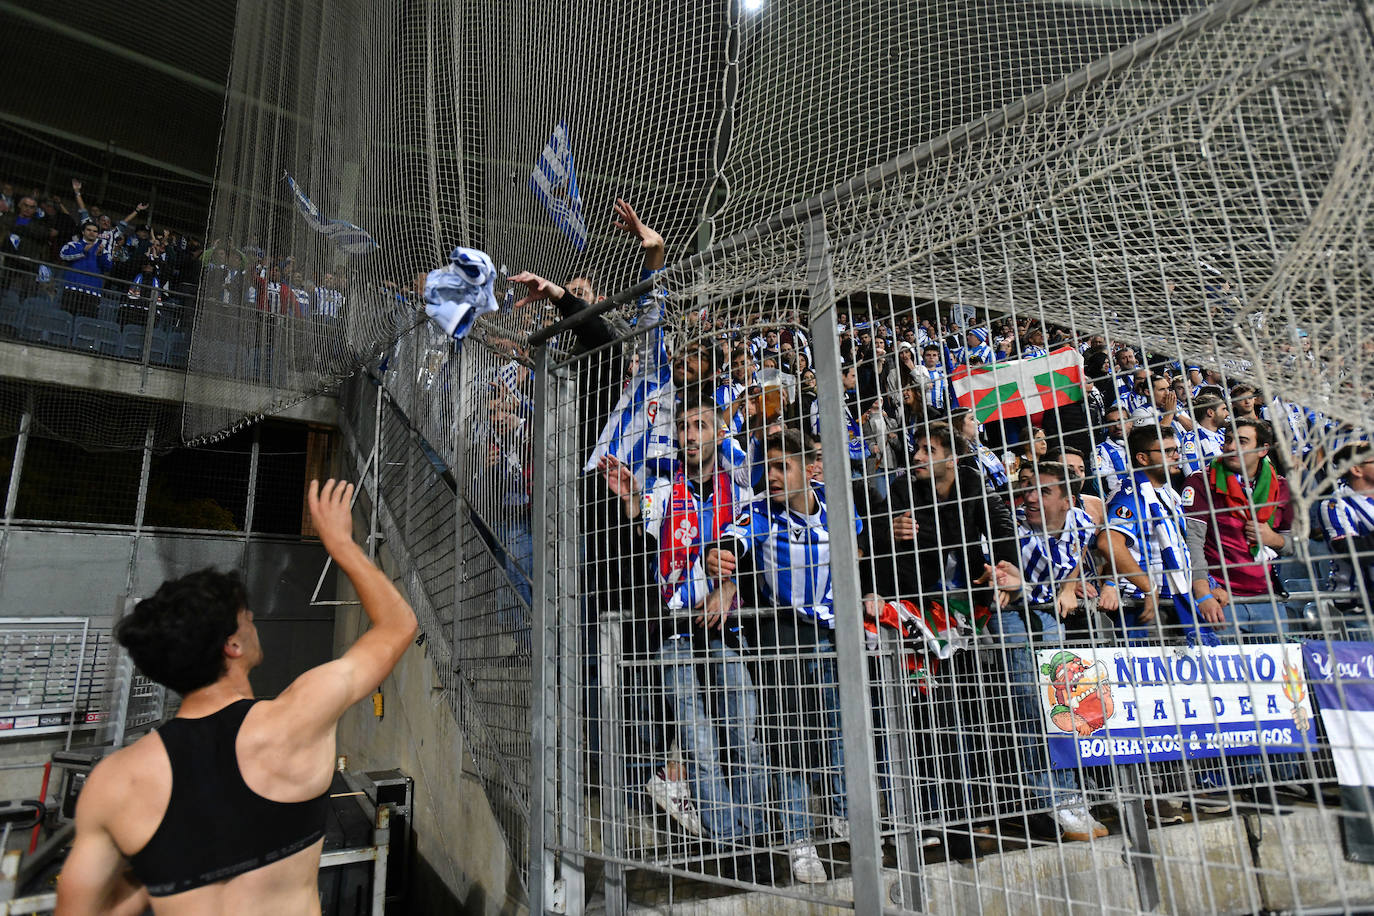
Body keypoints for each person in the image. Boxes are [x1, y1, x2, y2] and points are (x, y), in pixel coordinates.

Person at [56, 479, 418, 915]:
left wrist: (164, 868)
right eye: (247, 618)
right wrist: (341, 543)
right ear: (233, 645)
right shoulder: (293, 720)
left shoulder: (114, 782)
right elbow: (397, 626)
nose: (253, 622)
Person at [600, 392, 768, 847]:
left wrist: (728, 586)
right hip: (673, 628)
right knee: (697, 738)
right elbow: (642, 537)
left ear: (718, 433)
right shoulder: (661, 488)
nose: (689, 436)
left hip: (725, 628)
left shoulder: (740, 492)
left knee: (745, 734)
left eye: (699, 426)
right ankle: (731, 838)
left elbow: (754, 553)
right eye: (683, 427)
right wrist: (632, 502)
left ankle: (757, 829)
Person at [707, 430, 860, 884]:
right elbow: (734, 543)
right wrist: (724, 567)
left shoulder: (837, 507)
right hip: (784, 638)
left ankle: (846, 814)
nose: (771, 476)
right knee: (789, 740)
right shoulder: (758, 511)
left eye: (781, 467)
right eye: (767, 467)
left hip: (835, 635)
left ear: (808, 468)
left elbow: (856, 555)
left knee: (841, 729)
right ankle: (799, 839)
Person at [1002, 462, 1109, 841]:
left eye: (1043, 491)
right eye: (1028, 488)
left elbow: (1080, 557)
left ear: (1066, 500)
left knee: (1061, 709)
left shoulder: (1081, 521)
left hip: (1051, 618)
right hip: (1014, 618)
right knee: (1033, 709)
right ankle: (1053, 801)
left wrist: (1068, 586)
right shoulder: (1009, 525)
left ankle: (1073, 797)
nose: (1030, 496)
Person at [1182, 418, 1294, 638]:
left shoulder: (1282, 487)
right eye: (1228, 440)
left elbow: (1295, 545)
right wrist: (1203, 592)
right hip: (1222, 602)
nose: (1231, 447)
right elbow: (1193, 545)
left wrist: (1274, 540)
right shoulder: (1201, 482)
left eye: (1242, 441)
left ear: (1262, 450)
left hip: (1269, 602)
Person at [1098, 424, 1208, 646]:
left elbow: (1181, 547)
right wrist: (1148, 587)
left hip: (1176, 600)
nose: (1176, 456)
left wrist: (1209, 584)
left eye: (1176, 450)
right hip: (1143, 608)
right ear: (1143, 458)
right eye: (1167, 451)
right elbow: (1109, 542)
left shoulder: (1169, 493)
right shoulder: (1130, 495)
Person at [59, 221, 113, 318]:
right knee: (65, 318)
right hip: (72, 289)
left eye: (95, 231)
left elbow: (108, 267)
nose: (92, 233)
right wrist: (83, 251)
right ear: (83, 232)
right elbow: (63, 255)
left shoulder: (102, 249)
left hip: (93, 293)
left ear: (98, 234)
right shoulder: (74, 245)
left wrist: (100, 255)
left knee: (87, 322)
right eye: (89, 230)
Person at [1181, 393, 1229, 475]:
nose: (1227, 413)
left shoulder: (1226, 433)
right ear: (1210, 412)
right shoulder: (1191, 439)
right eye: (1223, 409)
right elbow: (1192, 475)